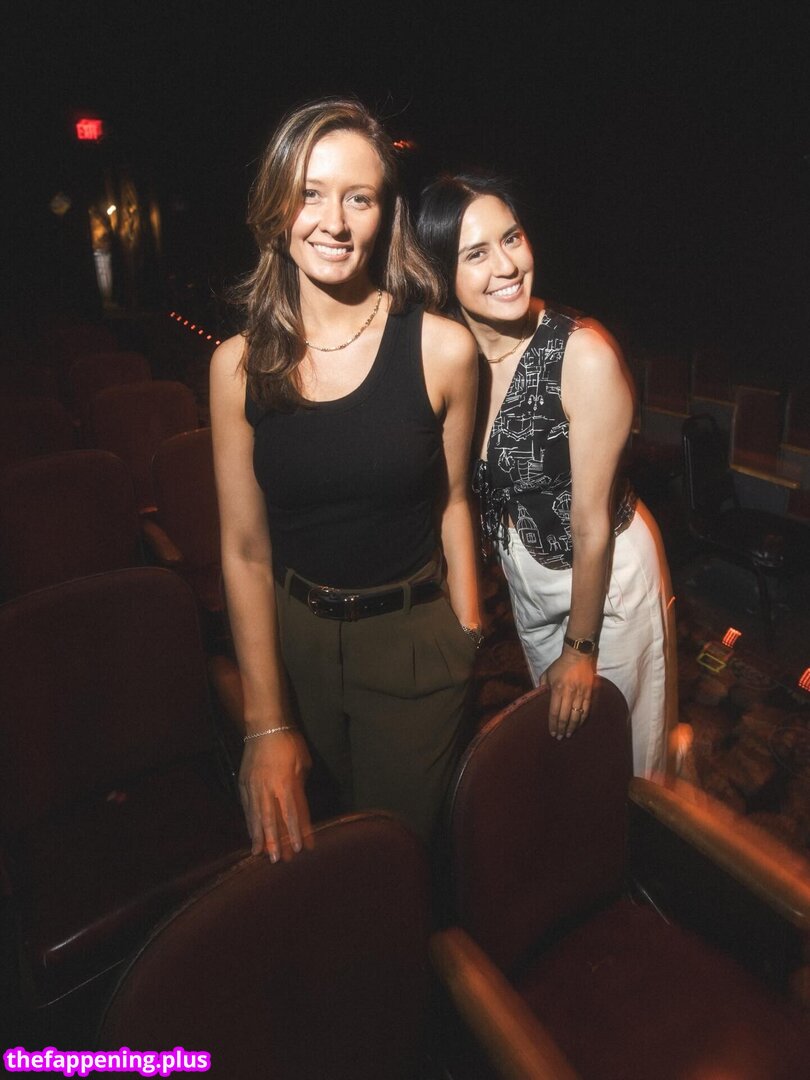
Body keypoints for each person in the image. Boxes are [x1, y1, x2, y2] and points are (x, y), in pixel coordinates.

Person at [209, 99, 481, 861]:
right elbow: (244, 551)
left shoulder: (442, 350)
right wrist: (266, 722)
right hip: (292, 645)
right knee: (317, 862)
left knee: (399, 858)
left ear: (385, 215)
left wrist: (466, 630)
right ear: (275, 210)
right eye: (310, 194)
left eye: (358, 197)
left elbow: (454, 501)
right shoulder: (237, 366)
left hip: (413, 644)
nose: (333, 221)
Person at [417, 174, 675, 777]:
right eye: (476, 253)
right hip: (527, 584)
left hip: (607, 578)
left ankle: (669, 786)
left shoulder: (583, 355)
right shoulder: (454, 356)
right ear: (441, 273)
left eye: (512, 238)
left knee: (627, 760)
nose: (507, 266)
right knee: (566, 747)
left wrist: (581, 648)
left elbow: (590, 524)